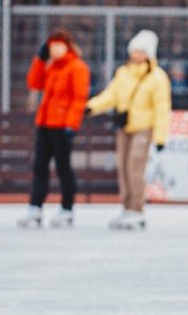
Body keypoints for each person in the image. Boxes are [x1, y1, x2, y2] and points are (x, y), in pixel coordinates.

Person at [86, 30, 172, 230]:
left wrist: (160, 137)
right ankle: (126, 207)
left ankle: (137, 209)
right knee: (123, 167)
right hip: (125, 127)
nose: (136, 55)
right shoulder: (123, 73)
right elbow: (111, 95)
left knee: (135, 167)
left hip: (144, 128)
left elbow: (162, 109)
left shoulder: (157, 78)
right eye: (134, 50)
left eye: (141, 51)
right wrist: (91, 107)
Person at [19, 29, 91, 228]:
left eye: (59, 45)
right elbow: (34, 83)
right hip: (45, 123)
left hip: (62, 126)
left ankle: (67, 208)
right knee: (39, 165)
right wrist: (39, 61)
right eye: (52, 46)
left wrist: (71, 124)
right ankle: (35, 207)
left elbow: (79, 98)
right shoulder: (51, 66)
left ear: (67, 46)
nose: (56, 49)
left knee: (63, 167)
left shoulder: (77, 67)